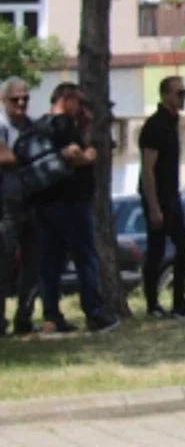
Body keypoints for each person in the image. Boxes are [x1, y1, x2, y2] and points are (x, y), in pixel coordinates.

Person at [33, 82, 116, 333]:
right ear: (66, 99)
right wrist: (89, 155)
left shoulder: (39, 126)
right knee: (85, 258)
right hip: (72, 203)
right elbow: (73, 154)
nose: (81, 109)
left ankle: (51, 316)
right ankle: (95, 313)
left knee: (50, 262)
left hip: (45, 204)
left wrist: (86, 128)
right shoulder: (63, 124)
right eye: (79, 103)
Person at [140, 75, 185, 318]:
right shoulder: (155, 125)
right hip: (158, 198)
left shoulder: (172, 123)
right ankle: (152, 304)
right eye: (179, 93)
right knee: (156, 251)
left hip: (172, 195)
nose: (183, 98)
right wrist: (154, 206)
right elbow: (148, 169)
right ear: (165, 95)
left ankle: (180, 301)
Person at [0, 77, 42, 334]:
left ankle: (24, 318)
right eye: (16, 99)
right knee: (3, 265)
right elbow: (3, 156)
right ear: (4, 100)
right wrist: (33, 157)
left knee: (34, 265)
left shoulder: (32, 126)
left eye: (25, 98)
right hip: (6, 203)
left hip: (34, 202)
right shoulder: (1, 124)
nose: (21, 103)